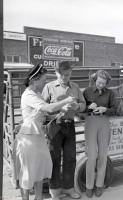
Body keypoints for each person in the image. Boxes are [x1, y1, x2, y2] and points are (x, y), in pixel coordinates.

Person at [12, 64, 76, 200]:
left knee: (39, 172)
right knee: (28, 173)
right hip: (29, 138)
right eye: (43, 80)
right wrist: (67, 100)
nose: (45, 82)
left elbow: (46, 115)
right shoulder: (29, 95)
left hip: (38, 137)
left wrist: (60, 113)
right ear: (35, 80)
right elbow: (48, 107)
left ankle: (39, 198)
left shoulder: (37, 94)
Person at [42, 61, 86, 200]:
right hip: (54, 125)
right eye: (61, 74)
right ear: (56, 73)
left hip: (70, 125)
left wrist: (77, 106)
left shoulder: (76, 87)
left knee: (70, 158)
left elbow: (84, 105)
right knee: (54, 158)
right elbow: (42, 110)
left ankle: (69, 188)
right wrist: (58, 111)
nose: (64, 77)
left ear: (71, 73)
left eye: (67, 74)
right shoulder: (49, 87)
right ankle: (55, 191)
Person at [82, 69, 117, 198]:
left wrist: (105, 109)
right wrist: (87, 108)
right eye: (99, 82)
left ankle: (99, 185)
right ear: (95, 79)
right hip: (90, 121)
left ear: (107, 82)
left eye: (104, 83)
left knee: (103, 155)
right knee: (91, 156)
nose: (101, 85)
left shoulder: (110, 93)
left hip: (104, 122)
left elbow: (114, 109)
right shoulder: (87, 91)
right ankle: (89, 186)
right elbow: (81, 110)